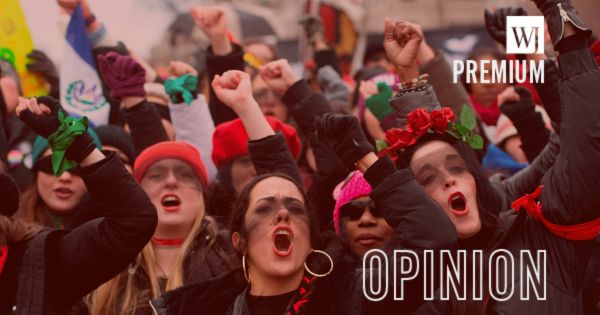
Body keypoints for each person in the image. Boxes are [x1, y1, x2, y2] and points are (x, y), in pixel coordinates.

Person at [150, 68, 456, 315]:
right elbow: (281, 179)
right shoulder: (200, 308)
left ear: (312, 240)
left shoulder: (354, 296)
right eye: (264, 208)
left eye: (296, 209)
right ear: (239, 240)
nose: (282, 212)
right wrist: (245, 106)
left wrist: (364, 157)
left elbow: (434, 237)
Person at [378, 5, 600, 312]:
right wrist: (408, 72)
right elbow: (433, 144)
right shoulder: (412, 282)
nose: (449, 179)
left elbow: (575, 138)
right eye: (428, 180)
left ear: (476, 178)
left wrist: (530, 43)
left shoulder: (532, 228)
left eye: (458, 168)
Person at [0, 96, 157, 314]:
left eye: (73, 167)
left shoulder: (39, 261)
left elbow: (133, 221)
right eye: (51, 165)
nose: (64, 176)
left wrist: (79, 146)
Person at [82, 140, 235, 315]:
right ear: (137, 192)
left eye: (185, 175)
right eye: (156, 176)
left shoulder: (229, 252)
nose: (171, 181)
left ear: (202, 193)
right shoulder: (109, 257)